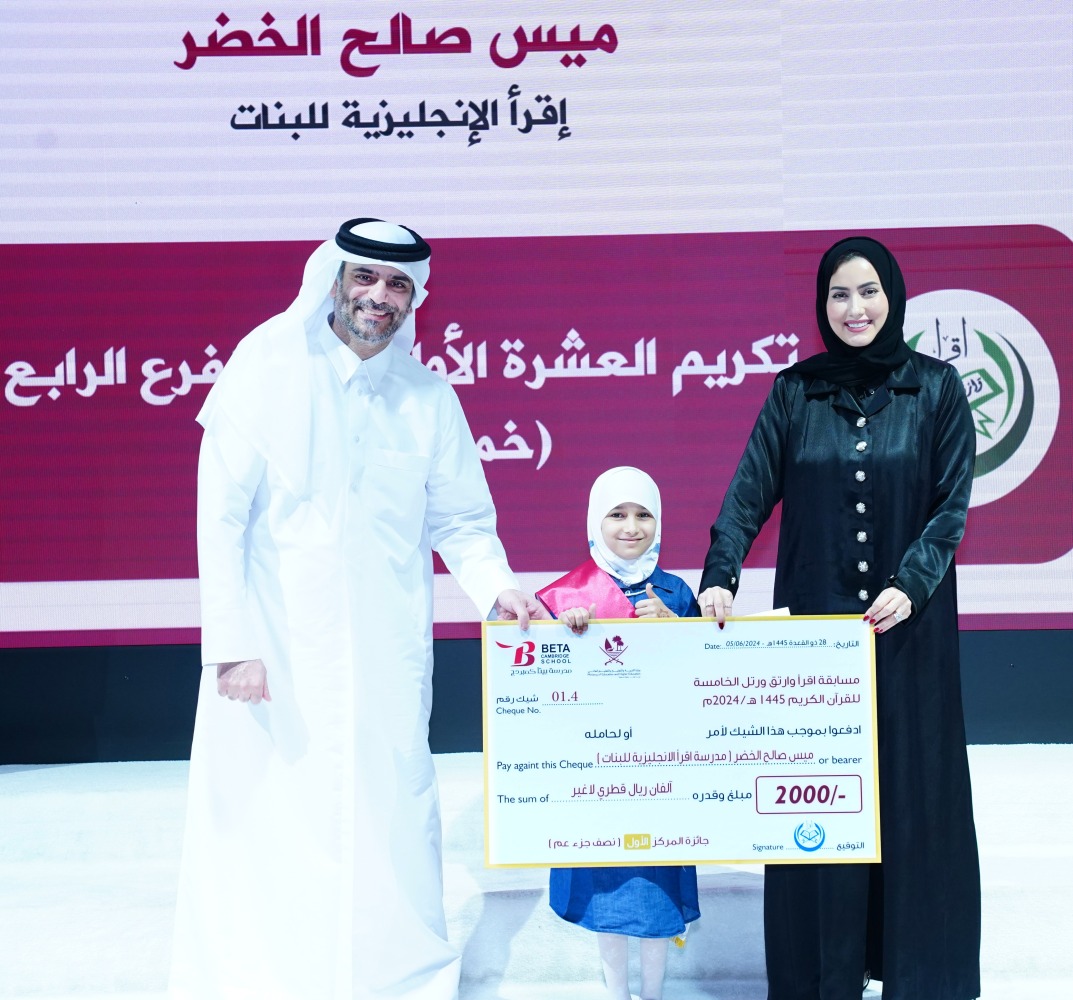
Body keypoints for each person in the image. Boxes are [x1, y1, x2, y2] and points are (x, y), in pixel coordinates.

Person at [169, 218, 546, 1000]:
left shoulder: (427, 397)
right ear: (334, 279)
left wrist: (497, 587)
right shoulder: (265, 366)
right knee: (267, 822)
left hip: (384, 657)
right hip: (273, 654)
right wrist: (232, 645)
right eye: (365, 278)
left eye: (399, 284)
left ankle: (390, 984)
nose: (380, 296)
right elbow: (220, 516)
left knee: (390, 826)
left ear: (416, 298)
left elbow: (463, 523)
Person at [698, 236, 981, 1000]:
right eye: (837, 296)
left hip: (906, 636)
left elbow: (950, 504)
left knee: (912, 800)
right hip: (816, 649)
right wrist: (719, 575)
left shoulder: (936, 388)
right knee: (819, 804)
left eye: (866, 293)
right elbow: (747, 493)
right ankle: (819, 980)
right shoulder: (795, 392)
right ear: (821, 306)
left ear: (892, 296)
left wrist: (912, 582)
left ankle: (923, 979)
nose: (853, 309)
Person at [540, 467, 701, 1000]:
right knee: (606, 891)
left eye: (643, 514)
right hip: (598, 770)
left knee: (655, 894)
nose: (631, 527)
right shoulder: (566, 595)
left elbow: (707, 678)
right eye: (617, 514)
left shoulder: (677, 592)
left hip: (659, 771)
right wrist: (569, 631)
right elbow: (540, 686)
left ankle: (653, 994)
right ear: (594, 520)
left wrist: (675, 630)